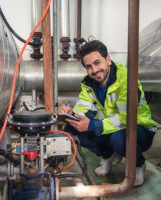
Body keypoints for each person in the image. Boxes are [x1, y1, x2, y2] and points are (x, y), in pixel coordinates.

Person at [58, 40, 156, 186]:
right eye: (89, 67)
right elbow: (84, 108)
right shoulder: (89, 84)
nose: (94, 70)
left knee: (118, 139)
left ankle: (138, 165)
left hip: (140, 129)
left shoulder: (126, 79)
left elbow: (126, 118)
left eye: (97, 63)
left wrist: (92, 125)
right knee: (71, 129)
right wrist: (72, 114)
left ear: (108, 59)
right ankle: (108, 155)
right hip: (114, 126)